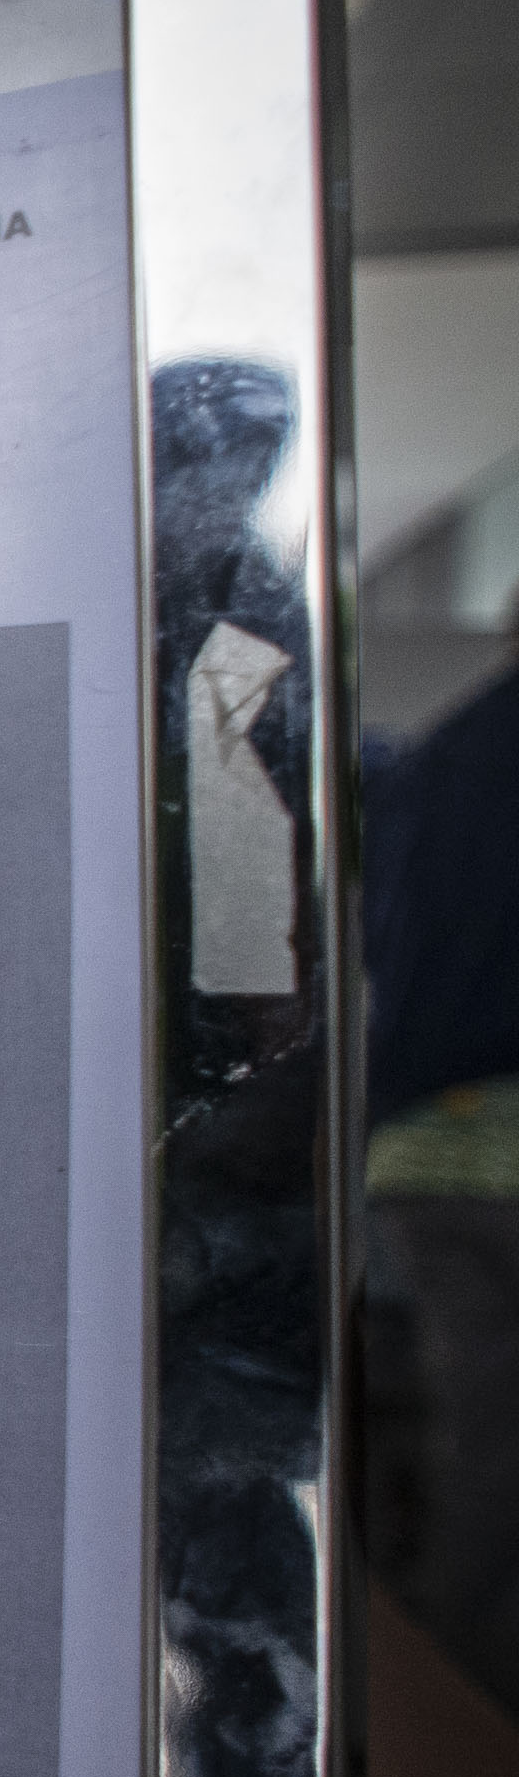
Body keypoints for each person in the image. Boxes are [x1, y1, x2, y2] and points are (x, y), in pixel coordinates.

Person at [363, 648, 519, 1708]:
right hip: (502, 1138)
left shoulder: (444, 749)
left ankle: (458, 1703)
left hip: (417, 1144)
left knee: (489, 1447)